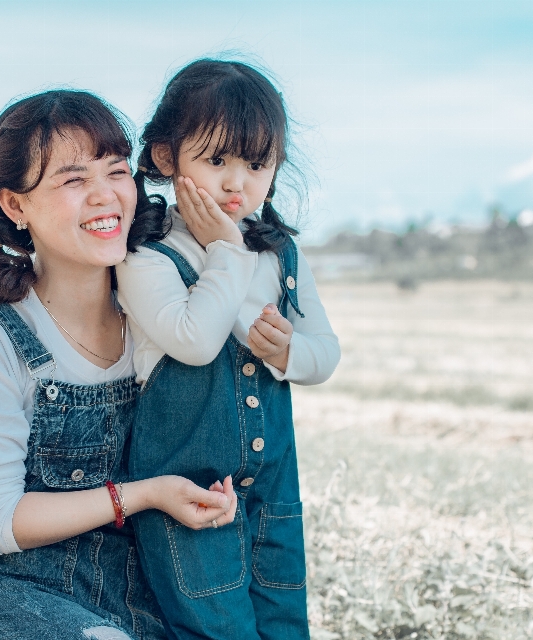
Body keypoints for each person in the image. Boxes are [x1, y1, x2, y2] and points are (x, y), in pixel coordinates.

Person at [0, 89, 240, 640]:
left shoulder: (168, 322)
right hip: (7, 591)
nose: (105, 196)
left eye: (116, 171)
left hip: (147, 597)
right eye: (73, 180)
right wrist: (144, 494)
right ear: (14, 206)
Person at [115, 59, 341, 640]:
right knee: (218, 629)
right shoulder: (148, 256)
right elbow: (193, 342)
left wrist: (292, 353)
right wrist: (224, 249)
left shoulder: (282, 255)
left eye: (257, 164)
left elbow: (325, 353)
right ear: (167, 158)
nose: (236, 184)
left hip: (272, 493)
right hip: (189, 499)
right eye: (217, 161)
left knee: (284, 621)